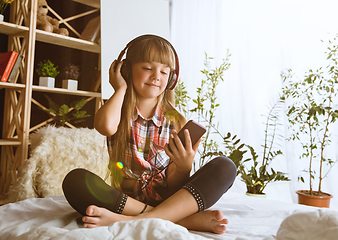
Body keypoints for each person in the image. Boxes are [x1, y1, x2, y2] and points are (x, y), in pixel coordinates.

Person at [62, 35, 237, 234]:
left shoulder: (176, 120)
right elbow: (105, 127)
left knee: (225, 167)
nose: (156, 76)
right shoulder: (117, 108)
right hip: (124, 201)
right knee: (74, 181)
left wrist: (184, 166)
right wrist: (120, 88)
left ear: (171, 79)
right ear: (126, 70)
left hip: (168, 200)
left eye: (164, 71)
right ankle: (182, 221)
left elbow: (174, 184)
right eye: (147, 68)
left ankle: (133, 220)